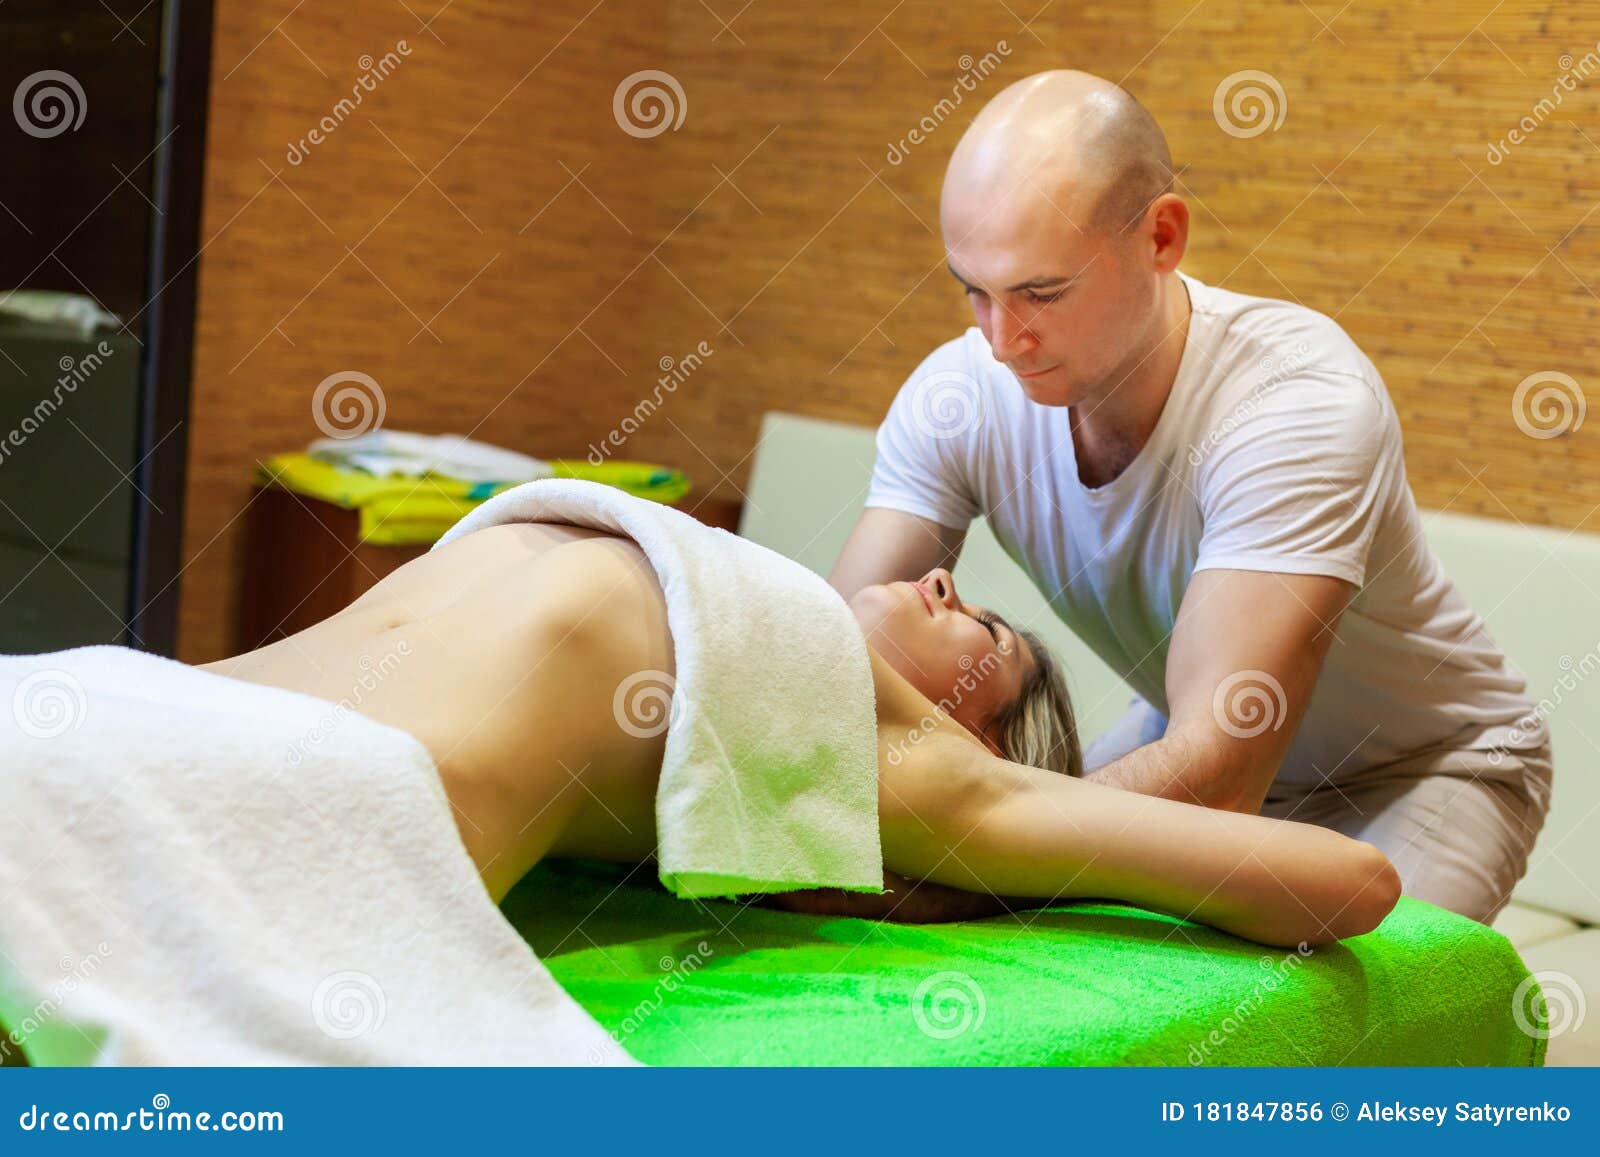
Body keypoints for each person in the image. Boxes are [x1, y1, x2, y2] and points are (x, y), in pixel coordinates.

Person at [828, 69, 1551, 925]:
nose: (1001, 341)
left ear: (1162, 237)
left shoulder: (1293, 399)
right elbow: (825, 657)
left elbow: (1217, 776)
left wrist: (963, 852)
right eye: (974, 290)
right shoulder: (959, 397)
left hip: (1421, 770)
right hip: (1188, 738)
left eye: (1041, 293)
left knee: (1307, 1050)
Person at [202, 516, 1400, 948]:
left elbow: (1352, 879)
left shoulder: (910, 763)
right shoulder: (734, 624)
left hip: (284, 830)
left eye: (980, 629)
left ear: (966, 738)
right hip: (163, 707)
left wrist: (1030, 858)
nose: (943, 584)